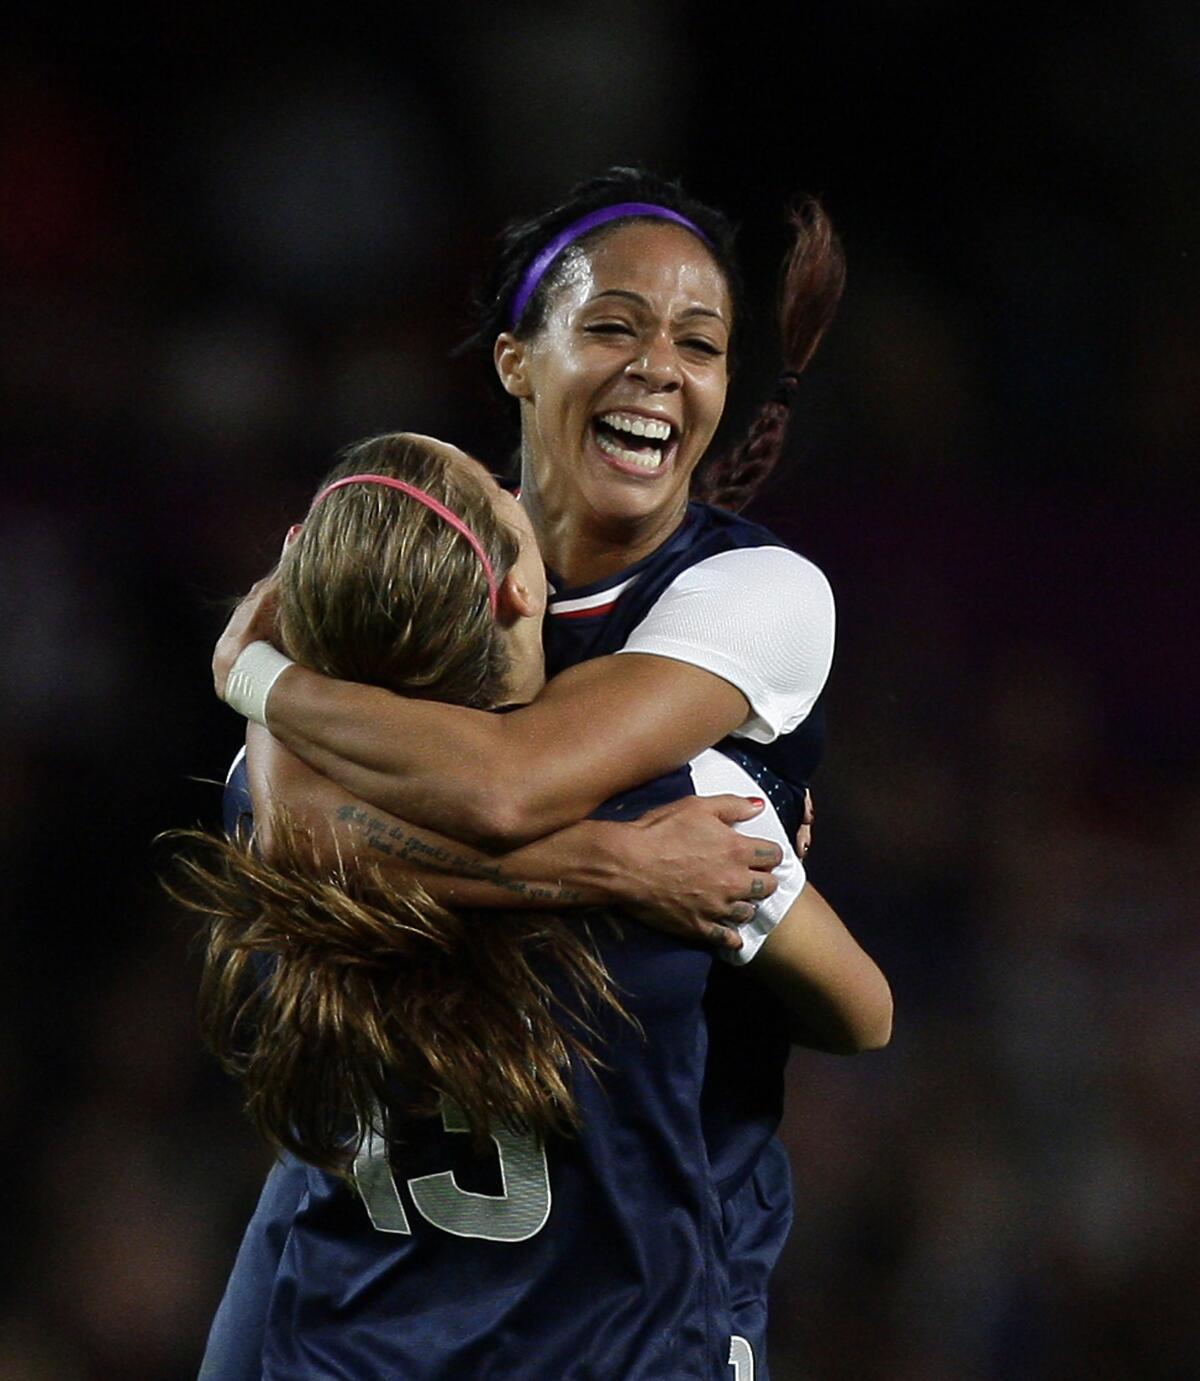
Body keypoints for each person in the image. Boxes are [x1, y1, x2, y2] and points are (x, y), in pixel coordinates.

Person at [211, 168, 892, 1378]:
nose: (656, 365)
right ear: (518, 358)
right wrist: (617, 867)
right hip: (458, 1281)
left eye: (700, 341)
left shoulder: (751, 595)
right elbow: (336, 824)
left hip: (586, 1262)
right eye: (613, 324)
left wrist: (264, 683)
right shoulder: (671, 799)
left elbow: (460, 790)